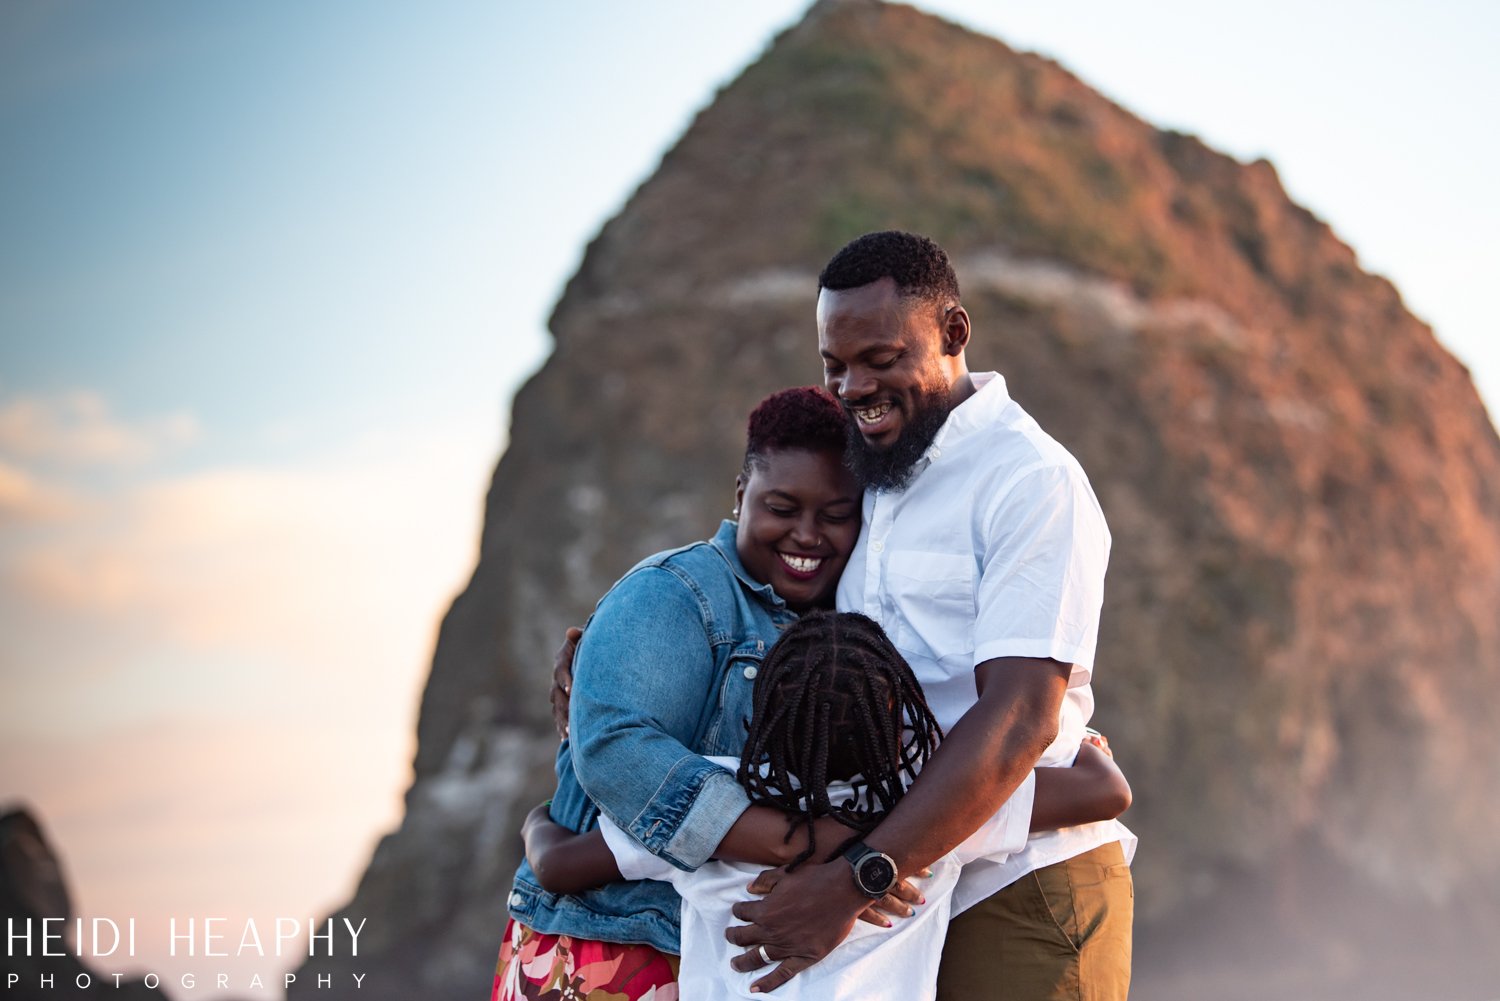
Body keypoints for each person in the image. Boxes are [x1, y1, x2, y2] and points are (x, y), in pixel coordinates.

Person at [725, 231, 1135, 1000]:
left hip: (1021, 887)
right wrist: (618, 635)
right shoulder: (866, 472)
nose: (852, 388)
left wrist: (856, 877)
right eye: (834, 366)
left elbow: (1018, 717)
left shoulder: (1031, 481)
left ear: (953, 334)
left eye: (880, 360)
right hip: (906, 896)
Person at [522, 610, 1132, 1001]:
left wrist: (536, 818)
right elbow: (1105, 790)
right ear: (904, 728)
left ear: (759, 721)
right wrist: (1088, 739)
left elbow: (557, 865)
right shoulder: (937, 816)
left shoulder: (713, 802)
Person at [494, 386, 875, 1001]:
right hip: (614, 947)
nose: (808, 535)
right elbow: (618, 750)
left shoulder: (847, 628)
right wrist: (811, 843)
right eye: (782, 507)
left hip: (732, 964)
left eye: (835, 515)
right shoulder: (676, 592)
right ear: (740, 495)